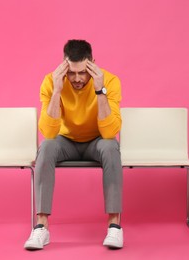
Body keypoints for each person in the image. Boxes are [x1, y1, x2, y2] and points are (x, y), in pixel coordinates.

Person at [24, 39, 123, 250]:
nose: (77, 79)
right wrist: (58, 90)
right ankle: (41, 227)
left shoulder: (110, 81)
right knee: (46, 147)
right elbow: (49, 132)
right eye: (72, 72)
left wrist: (99, 90)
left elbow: (109, 132)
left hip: (97, 140)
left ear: (92, 65)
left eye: (82, 72)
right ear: (64, 66)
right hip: (65, 141)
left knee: (111, 147)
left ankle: (114, 226)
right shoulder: (51, 82)